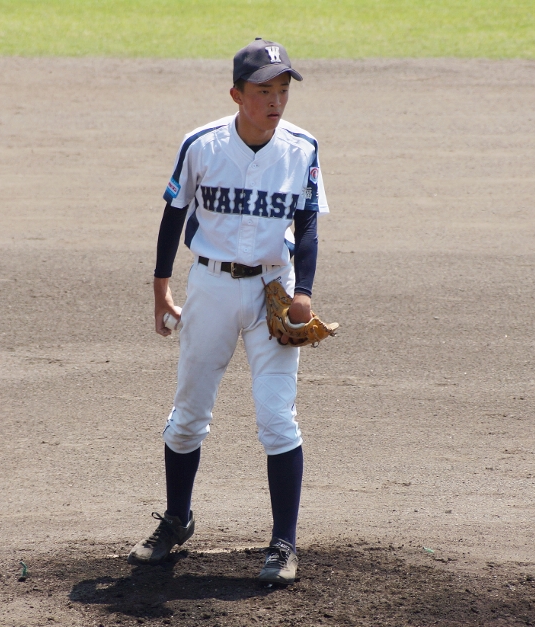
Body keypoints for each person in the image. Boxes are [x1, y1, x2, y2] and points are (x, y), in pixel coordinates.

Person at [128, 37, 330, 585]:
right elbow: (173, 214)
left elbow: (308, 223)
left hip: (273, 289)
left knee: (277, 418)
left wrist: (305, 291)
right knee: (187, 416)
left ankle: (283, 543)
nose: (276, 100)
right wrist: (161, 289)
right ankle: (176, 519)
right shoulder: (202, 145)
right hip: (211, 287)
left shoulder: (303, 147)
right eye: (264, 90)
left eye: (283, 89)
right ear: (237, 94)